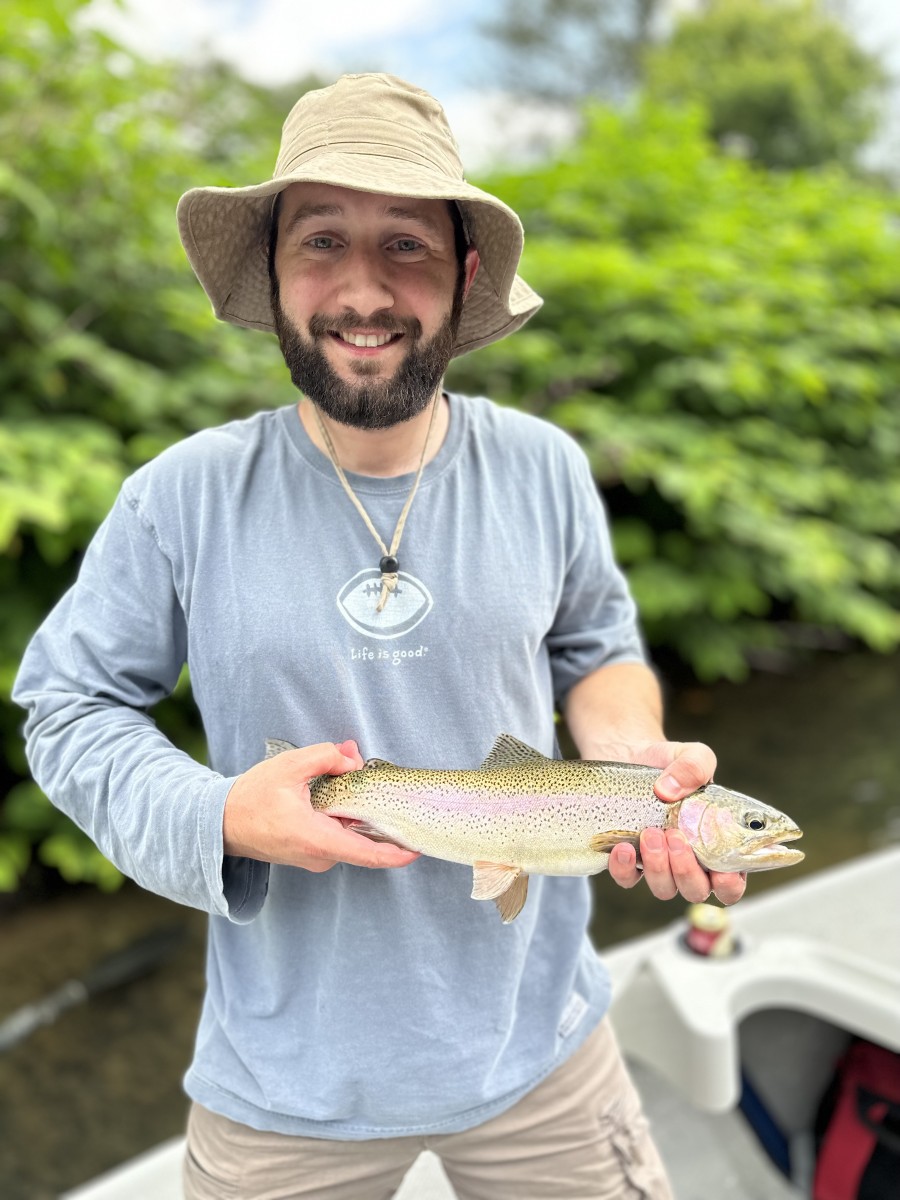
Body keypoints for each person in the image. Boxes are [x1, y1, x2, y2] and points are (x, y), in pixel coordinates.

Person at [13, 73, 745, 1199]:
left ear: (463, 277)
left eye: (405, 244)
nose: (363, 290)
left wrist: (632, 758)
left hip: (543, 1043)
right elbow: (67, 707)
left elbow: (599, 648)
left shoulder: (544, 468)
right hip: (285, 1082)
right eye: (321, 241)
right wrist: (219, 815)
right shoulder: (180, 497)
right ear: (272, 271)